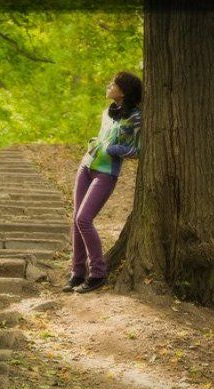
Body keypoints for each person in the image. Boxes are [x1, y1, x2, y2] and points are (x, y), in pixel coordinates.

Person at [63, 71, 142, 294]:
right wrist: (94, 143)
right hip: (86, 167)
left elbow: (138, 150)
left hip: (106, 173)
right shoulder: (106, 112)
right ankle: (77, 273)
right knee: (76, 219)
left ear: (123, 91)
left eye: (113, 84)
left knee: (84, 219)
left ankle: (97, 274)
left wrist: (114, 149)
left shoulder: (136, 117)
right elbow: (103, 136)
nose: (109, 85)